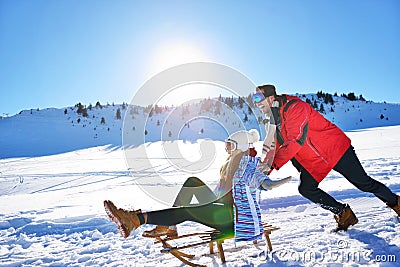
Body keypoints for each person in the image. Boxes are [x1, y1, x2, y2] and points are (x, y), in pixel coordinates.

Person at [252, 84, 400, 231]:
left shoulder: (295, 108)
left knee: (364, 183)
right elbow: (274, 147)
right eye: (254, 98)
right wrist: (263, 170)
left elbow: (296, 140)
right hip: (315, 161)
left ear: (271, 98)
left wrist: (271, 165)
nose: (256, 103)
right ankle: (343, 214)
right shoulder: (274, 121)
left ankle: (396, 203)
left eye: (258, 97)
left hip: (336, 150)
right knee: (306, 188)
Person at [104, 129, 292, 240]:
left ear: (239, 146)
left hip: (229, 218)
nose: (227, 149)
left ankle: (135, 220)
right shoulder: (232, 162)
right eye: (226, 145)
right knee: (192, 182)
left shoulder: (247, 164)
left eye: (230, 146)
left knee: (188, 211)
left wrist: (268, 183)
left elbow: (257, 178)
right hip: (221, 206)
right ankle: (169, 226)